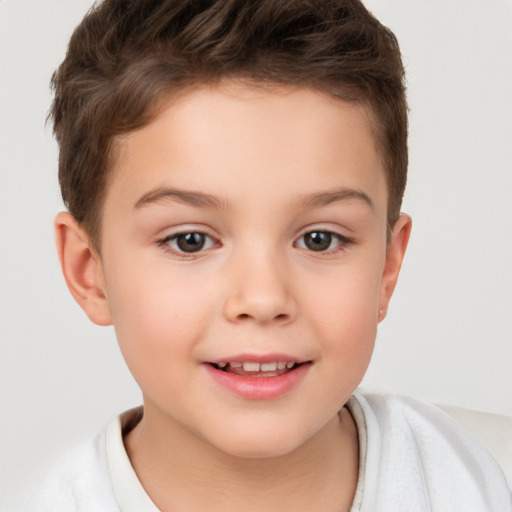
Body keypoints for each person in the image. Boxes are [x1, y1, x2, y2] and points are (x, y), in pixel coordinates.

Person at [25, 0, 511, 510]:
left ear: (387, 269)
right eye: (189, 240)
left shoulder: (491, 477)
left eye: (319, 239)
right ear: (90, 272)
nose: (262, 299)